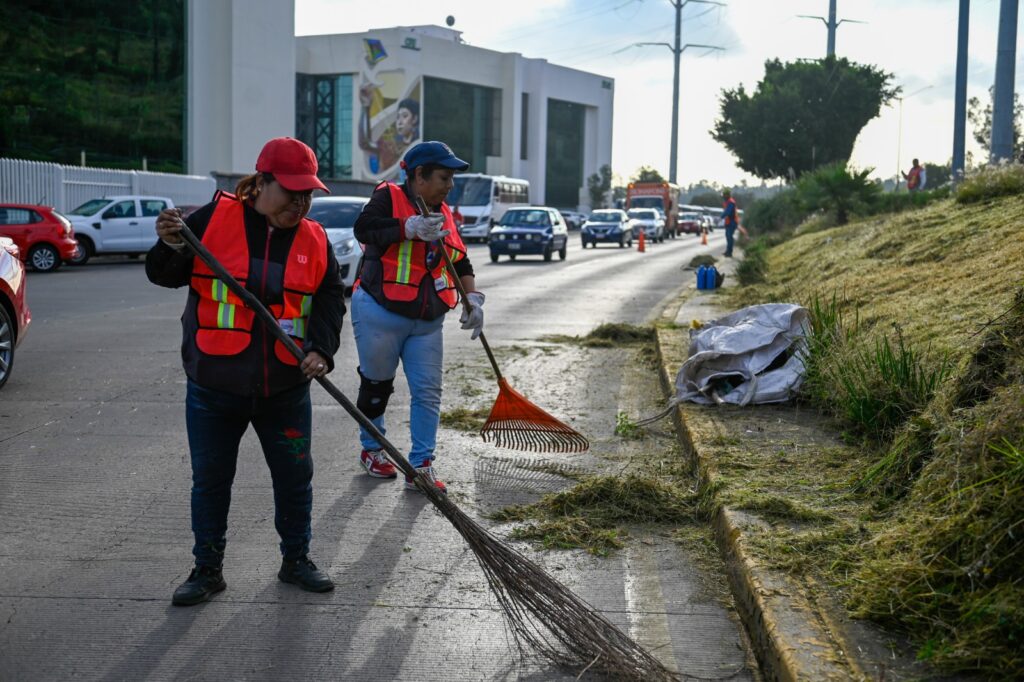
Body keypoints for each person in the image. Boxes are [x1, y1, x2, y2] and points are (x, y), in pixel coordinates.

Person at [146, 137, 347, 606]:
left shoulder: (315, 239)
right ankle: (207, 569)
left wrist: (322, 349)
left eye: (308, 195)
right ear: (260, 183)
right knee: (211, 481)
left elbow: (330, 299)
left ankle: (296, 561)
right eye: (290, 192)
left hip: (285, 385)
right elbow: (164, 274)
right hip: (214, 384)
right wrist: (170, 242)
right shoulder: (210, 220)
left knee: (295, 478)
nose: (299, 203)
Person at [350, 141, 484, 494]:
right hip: (380, 310)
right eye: (444, 177)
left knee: (428, 392)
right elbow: (364, 229)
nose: (450, 185)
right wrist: (406, 228)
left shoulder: (445, 212)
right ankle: (372, 449)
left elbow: (460, 260)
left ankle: (421, 465)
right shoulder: (388, 196)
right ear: (419, 175)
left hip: (427, 320)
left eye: (452, 178)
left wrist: (473, 297)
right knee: (377, 386)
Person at [358, 91, 420, 173]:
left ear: (415, 119)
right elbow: (365, 143)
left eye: (405, 116)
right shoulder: (389, 146)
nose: (399, 122)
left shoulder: (420, 145)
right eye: (398, 117)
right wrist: (366, 106)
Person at [721, 188, 739, 257]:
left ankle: (729, 252)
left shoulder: (731, 202)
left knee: (729, 236)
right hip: (729, 222)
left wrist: (721, 217)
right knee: (728, 236)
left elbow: (727, 212)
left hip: (732, 222)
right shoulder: (727, 202)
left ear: (727, 195)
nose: (723, 196)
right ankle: (728, 251)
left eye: (724, 195)